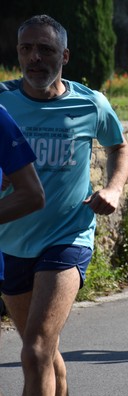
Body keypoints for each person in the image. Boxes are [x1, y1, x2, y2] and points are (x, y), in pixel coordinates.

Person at [0, 15, 128, 396]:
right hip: (12, 240)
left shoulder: (91, 103)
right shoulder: (2, 103)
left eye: (46, 49)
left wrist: (114, 188)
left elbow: (118, 146)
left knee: (37, 348)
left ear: (65, 55)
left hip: (67, 236)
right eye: (26, 48)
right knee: (43, 350)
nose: (34, 58)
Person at [0, 105, 45, 340]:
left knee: (38, 346)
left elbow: (32, 195)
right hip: (11, 246)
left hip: (60, 236)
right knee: (37, 347)